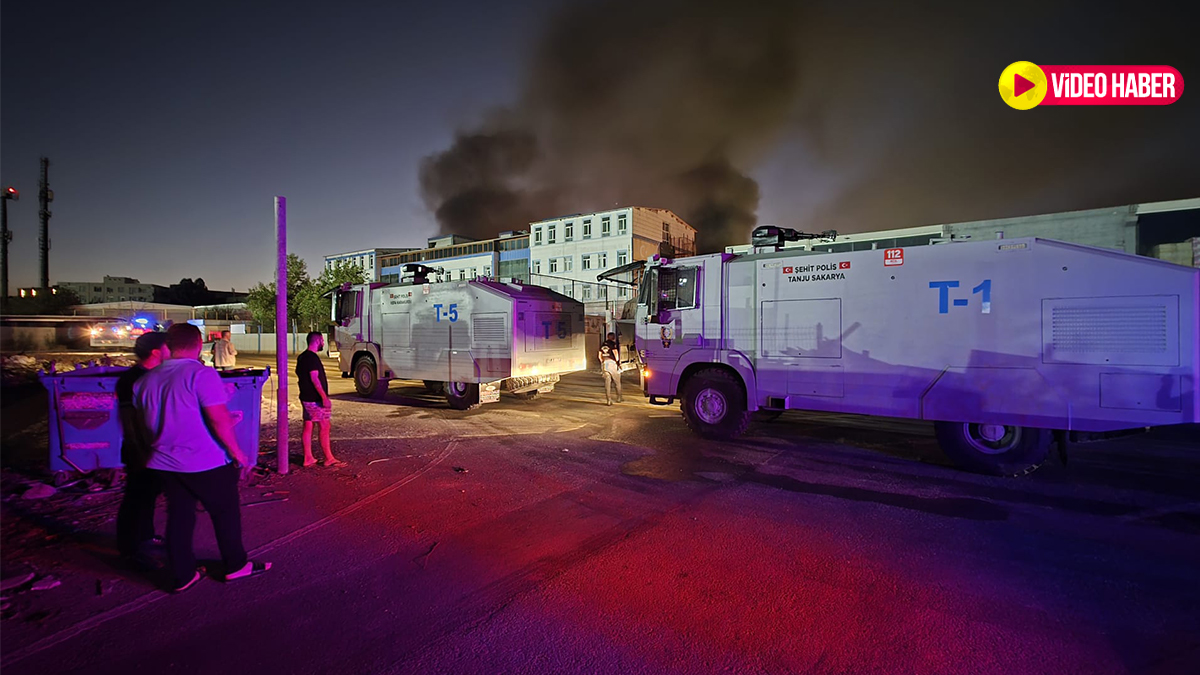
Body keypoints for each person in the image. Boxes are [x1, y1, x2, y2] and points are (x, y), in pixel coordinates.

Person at [134, 323, 270, 592]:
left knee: (179, 516)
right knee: (225, 513)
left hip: (164, 462)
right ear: (198, 344)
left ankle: (182, 574)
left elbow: (143, 424)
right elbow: (218, 419)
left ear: (168, 346)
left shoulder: (145, 380)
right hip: (204, 461)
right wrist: (238, 453)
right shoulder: (200, 375)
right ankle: (235, 565)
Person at [115, 331, 170, 570]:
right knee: (136, 496)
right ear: (156, 351)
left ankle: (146, 535)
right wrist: (139, 450)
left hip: (153, 446)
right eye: (168, 347)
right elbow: (128, 419)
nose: (172, 350)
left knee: (148, 495)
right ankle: (128, 547)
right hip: (139, 448)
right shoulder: (132, 379)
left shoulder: (153, 375)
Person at [297, 331, 345, 468]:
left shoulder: (302, 357)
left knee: (308, 425)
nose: (323, 343)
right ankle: (329, 458)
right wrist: (324, 397)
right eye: (322, 341)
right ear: (317, 340)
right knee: (324, 426)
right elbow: (314, 378)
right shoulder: (312, 358)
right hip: (315, 399)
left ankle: (308, 457)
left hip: (306, 397)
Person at [599, 331, 623, 405]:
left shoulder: (602, 344)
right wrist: (617, 362)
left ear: (607, 337)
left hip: (605, 364)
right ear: (614, 338)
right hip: (612, 363)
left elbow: (599, 355)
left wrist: (602, 362)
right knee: (617, 382)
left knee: (607, 383)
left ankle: (608, 400)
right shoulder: (613, 344)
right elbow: (616, 354)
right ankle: (619, 398)